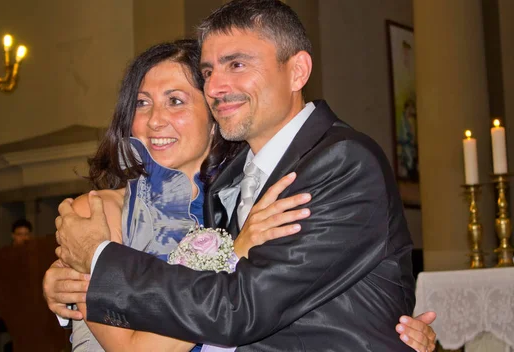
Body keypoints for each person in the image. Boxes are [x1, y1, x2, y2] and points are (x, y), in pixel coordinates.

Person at [47, 1, 437, 350]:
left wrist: (98, 260)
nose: (216, 85)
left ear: (297, 70)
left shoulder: (341, 162)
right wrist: (64, 285)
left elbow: (240, 308)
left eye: (237, 64)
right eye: (209, 71)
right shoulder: (227, 182)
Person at [60, 39, 312, 352]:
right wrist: (236, 253)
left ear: (214, 117)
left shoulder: (248, 206)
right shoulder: (97, 213)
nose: (154, 120)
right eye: (141, 103)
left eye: (175, 101)